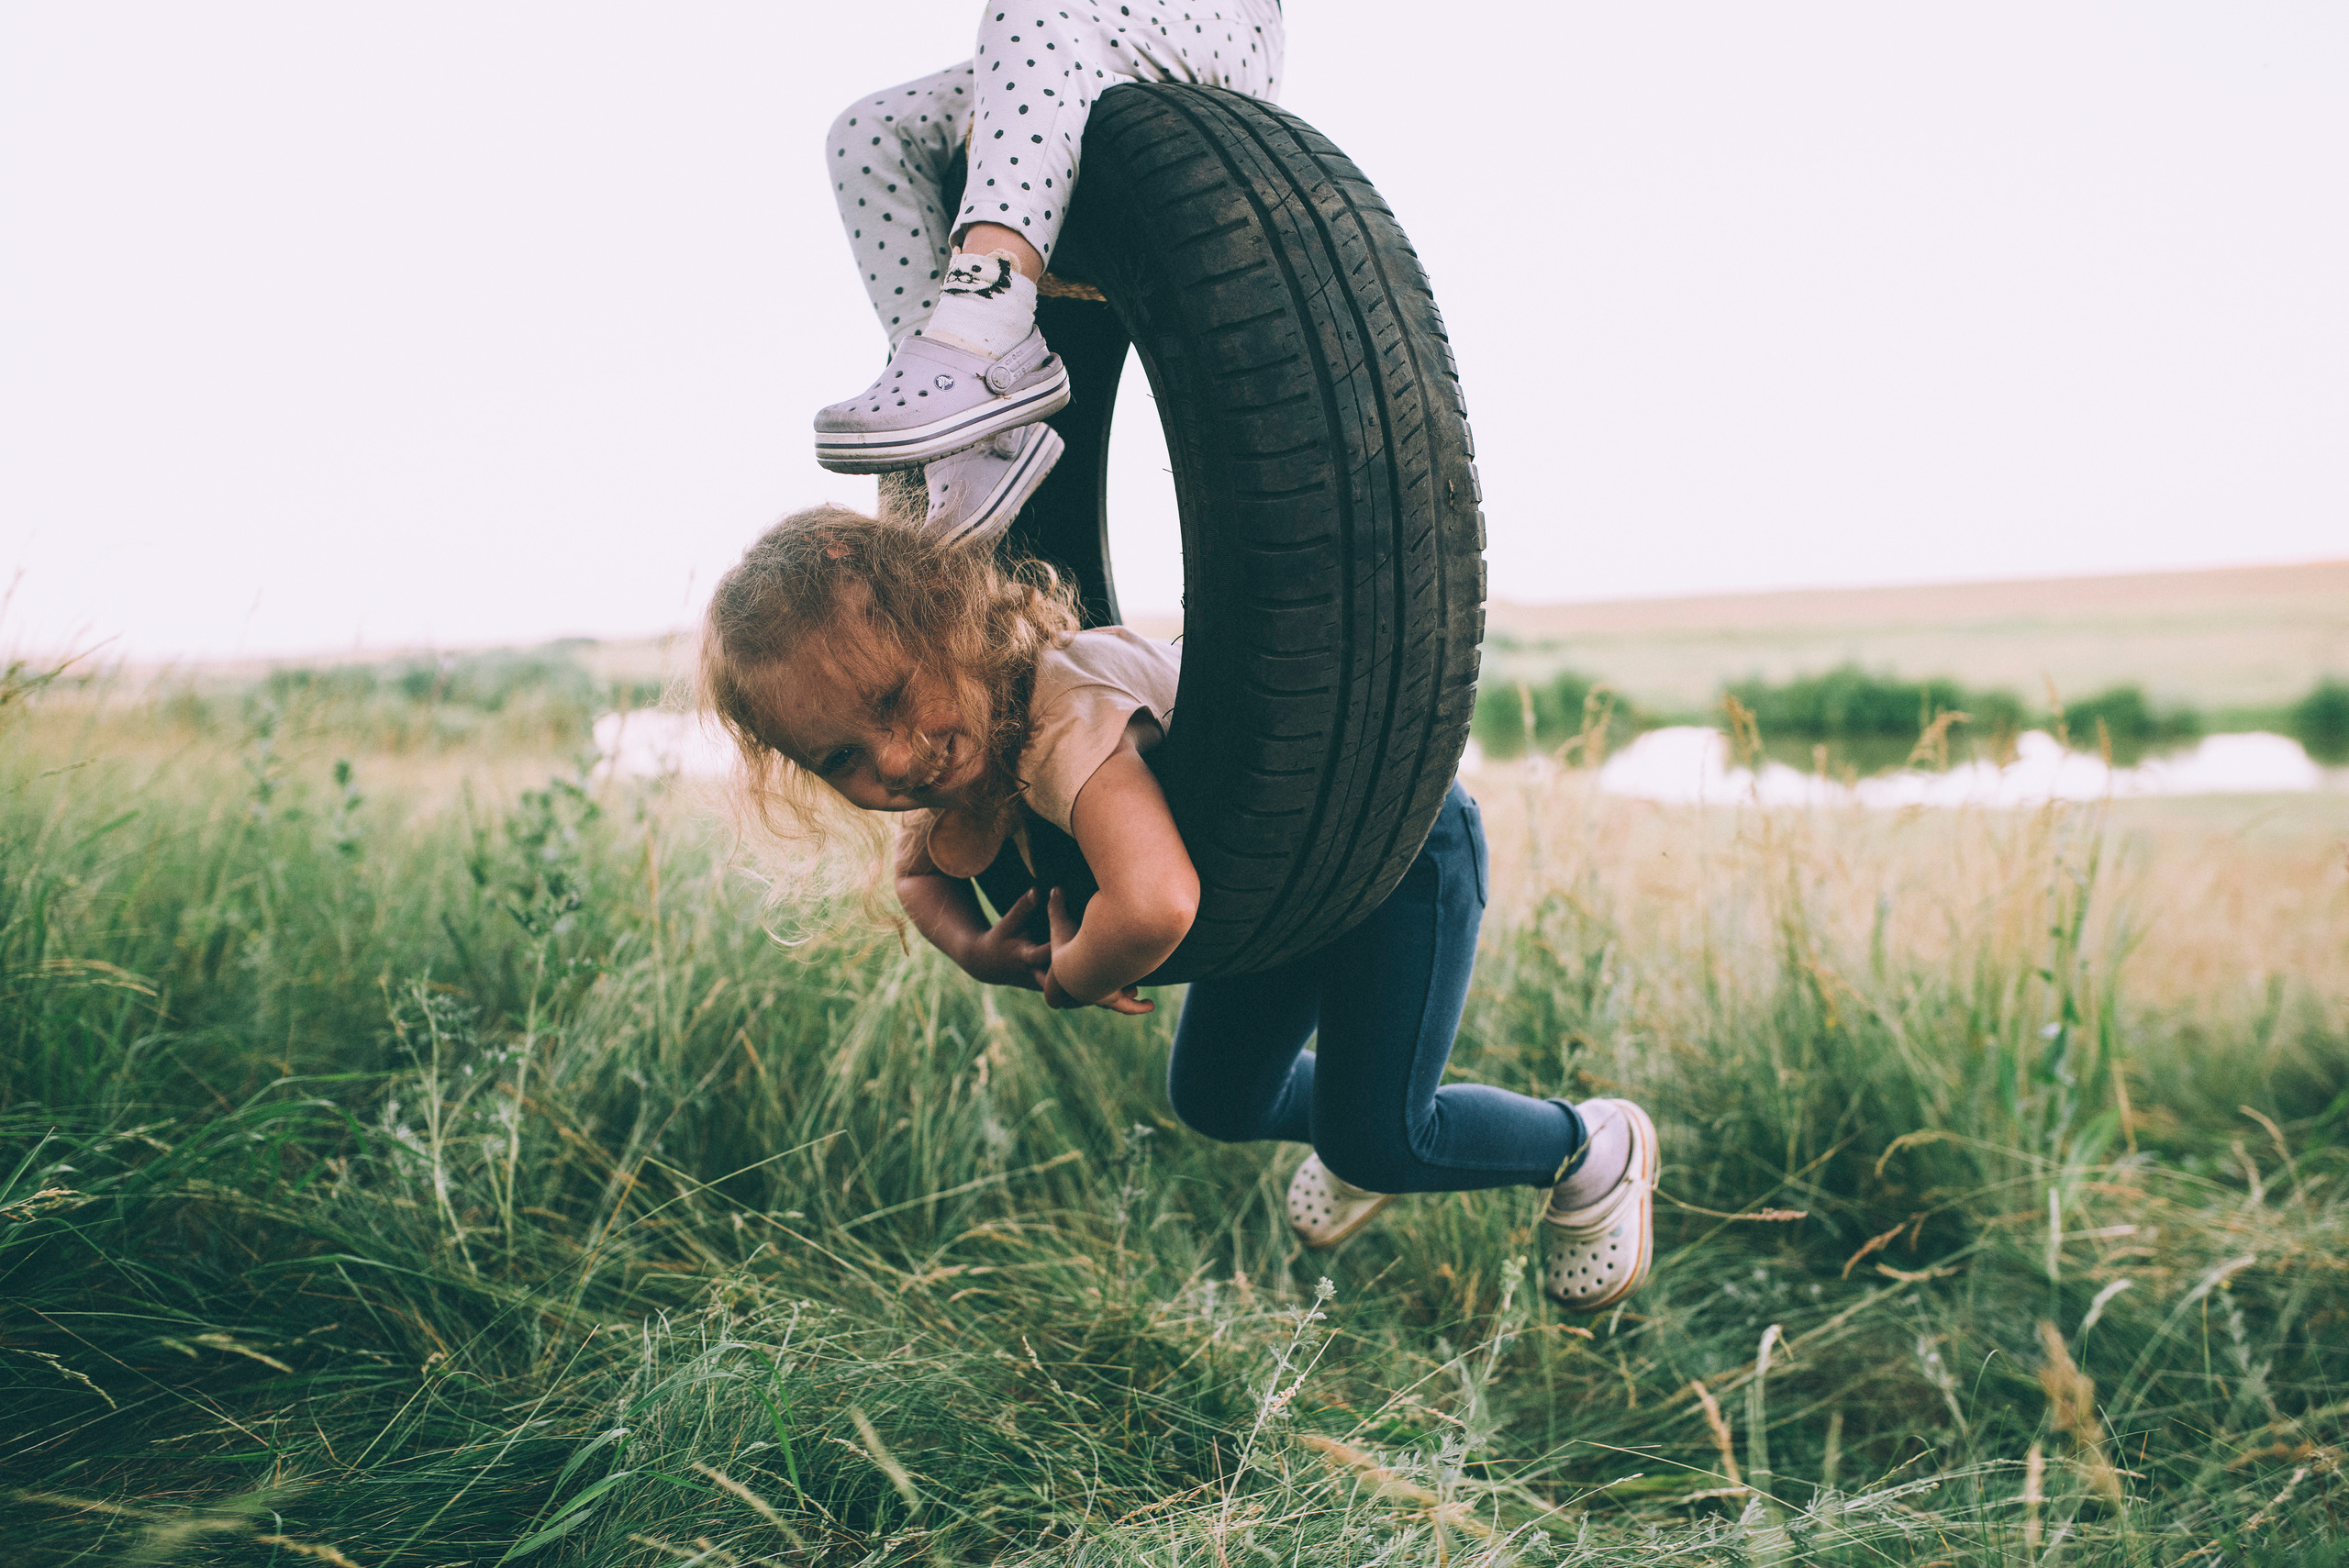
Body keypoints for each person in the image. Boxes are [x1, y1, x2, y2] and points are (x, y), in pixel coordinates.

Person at [698, 506, 1660, 1309]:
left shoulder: (1062, 718)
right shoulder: (961, 749)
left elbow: (1156, 903)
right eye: (840, 760)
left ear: (945, 620)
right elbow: (919, 876)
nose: (897, 760)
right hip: (1276, 889)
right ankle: (1354, 1122)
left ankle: (1590, 1144)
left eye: (893, 699)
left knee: (1379, 1131)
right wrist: (979, 948)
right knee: (1216, 1096)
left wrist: (1072, 975)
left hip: (1392, 855)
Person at [809, 3, 1286, 546]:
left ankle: (985, 329)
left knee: (1026, 10)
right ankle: (966, 430)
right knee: (869, 131)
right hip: (1084, 18)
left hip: (1212, 20)